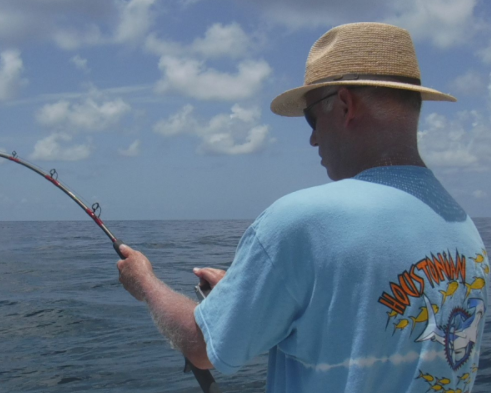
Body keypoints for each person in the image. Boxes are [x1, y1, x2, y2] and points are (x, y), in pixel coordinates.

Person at [117, 22, 489, 392]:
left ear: (345, 104)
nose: (312, 138)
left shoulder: (301, 222)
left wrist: (145, 283)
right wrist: (248, 294)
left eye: (312, 117)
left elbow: (202, 347)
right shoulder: (463, 228)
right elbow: (365, 326)